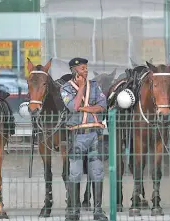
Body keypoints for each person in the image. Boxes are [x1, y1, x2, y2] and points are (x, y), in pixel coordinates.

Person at [60, 57, 108, 221]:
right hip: (77, 136)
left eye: (86, 67)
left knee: (97, 172)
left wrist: (84, 108)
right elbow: (72, 107)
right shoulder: (66, 88)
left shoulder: (95, 86)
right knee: (75, 173)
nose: (86, 70)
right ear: (74, 71)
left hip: (95, 134)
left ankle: (98, 210)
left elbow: (103, 105)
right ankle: (74, 211)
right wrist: (80, 88)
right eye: (82, 68)